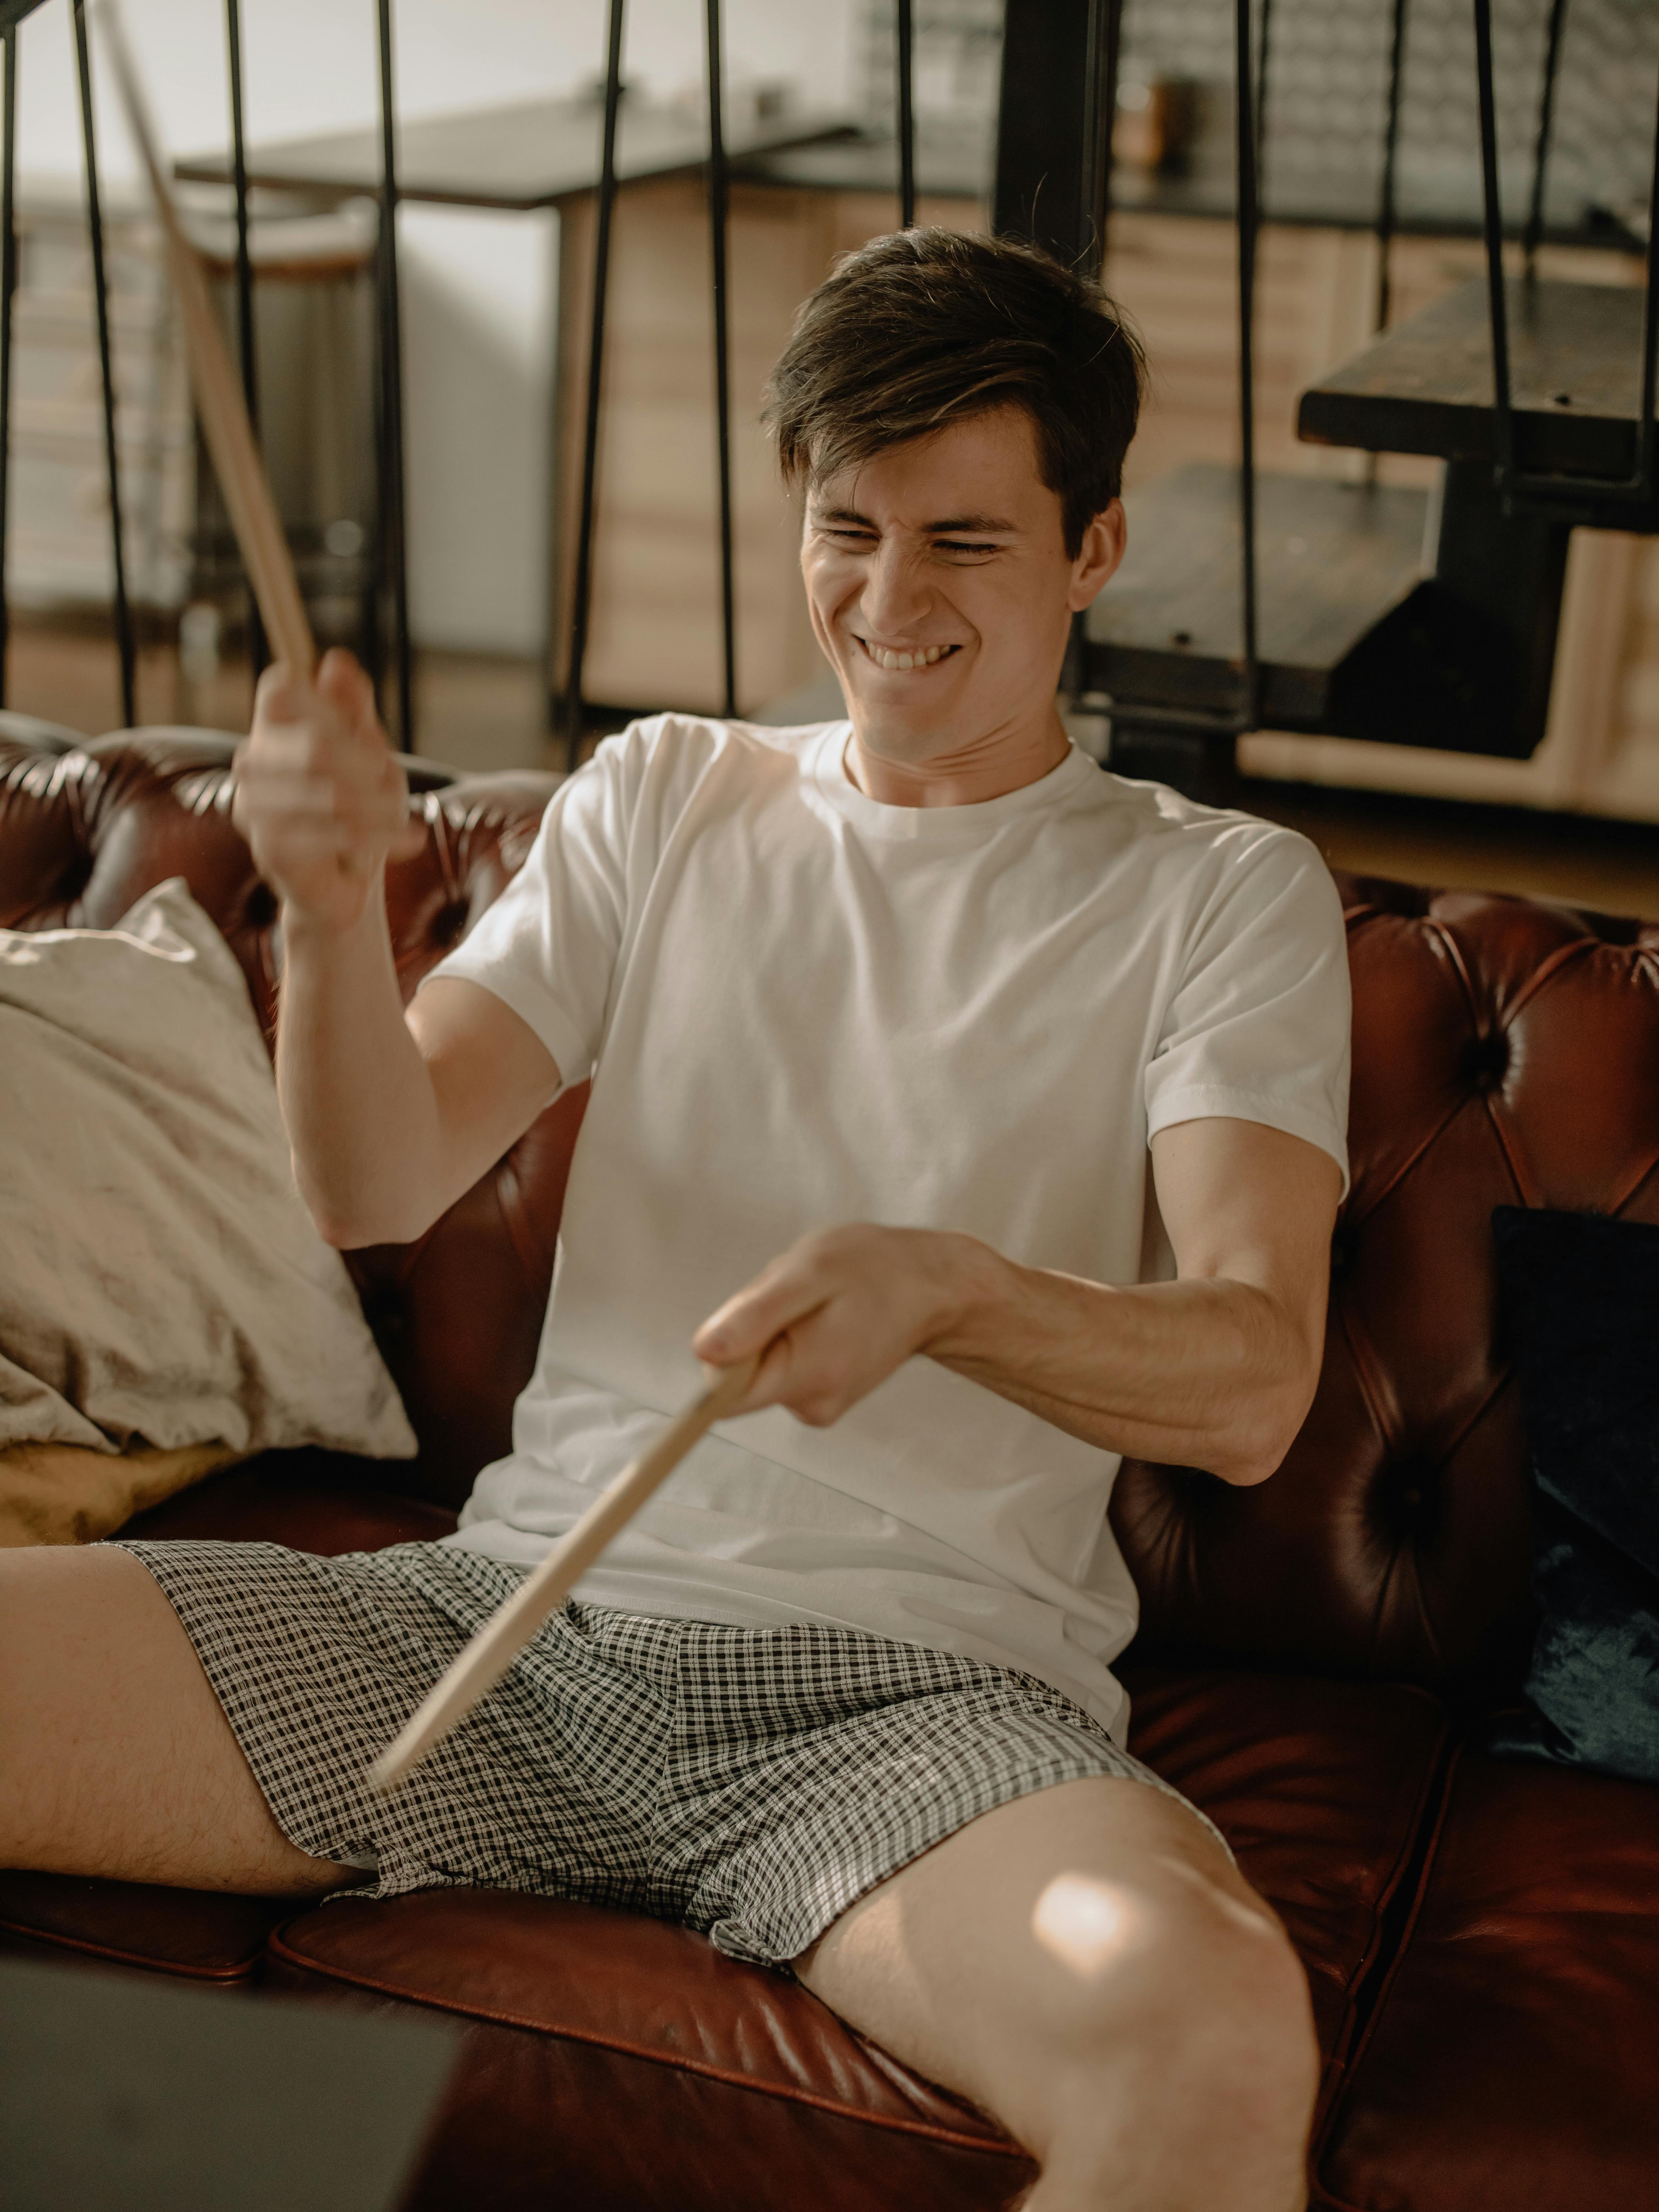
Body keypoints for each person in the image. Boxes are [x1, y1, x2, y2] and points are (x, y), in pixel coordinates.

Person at [0, 229, 1349, 2211]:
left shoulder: (1217, 894)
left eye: (966, 542)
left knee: (1212, 2041)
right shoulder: (669, 797)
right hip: (507, 1630)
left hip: (918, 1712)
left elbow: (1252, 1379)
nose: (889, 601)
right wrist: (328, 892)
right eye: (847, 527)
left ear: (1095, 546)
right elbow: (375, 1178)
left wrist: (950, 1286)